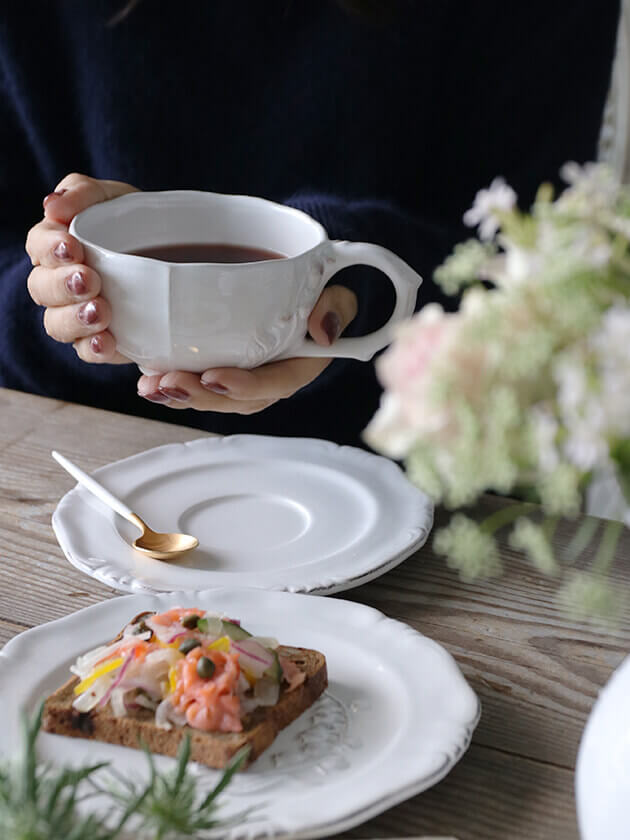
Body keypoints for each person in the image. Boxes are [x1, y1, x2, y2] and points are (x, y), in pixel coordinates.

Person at [1, 0, 620, 447]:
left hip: (401, 488)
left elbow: (547, 277)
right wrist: (66, 290)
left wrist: (352, 278)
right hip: (71, 465)